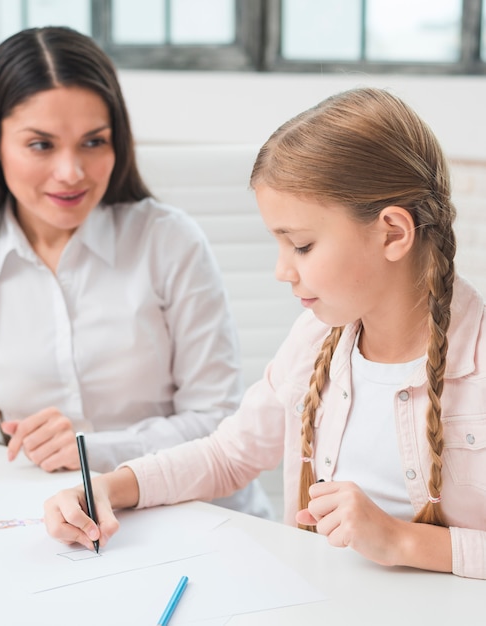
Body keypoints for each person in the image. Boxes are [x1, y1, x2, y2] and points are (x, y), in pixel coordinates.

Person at [43, 86, 486, 580]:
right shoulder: (314, 340)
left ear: (393, 233)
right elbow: (227, 454)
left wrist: (402, 540)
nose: (282, 271)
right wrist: (107, 488)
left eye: (302, 245)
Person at [0, 26, 272, 520]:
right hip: (58, 523)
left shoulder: (169, 241)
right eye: (41, 145)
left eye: (93, 142)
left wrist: (90, 449)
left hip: (199, 512)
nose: (72, 172)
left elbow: (220, 424)